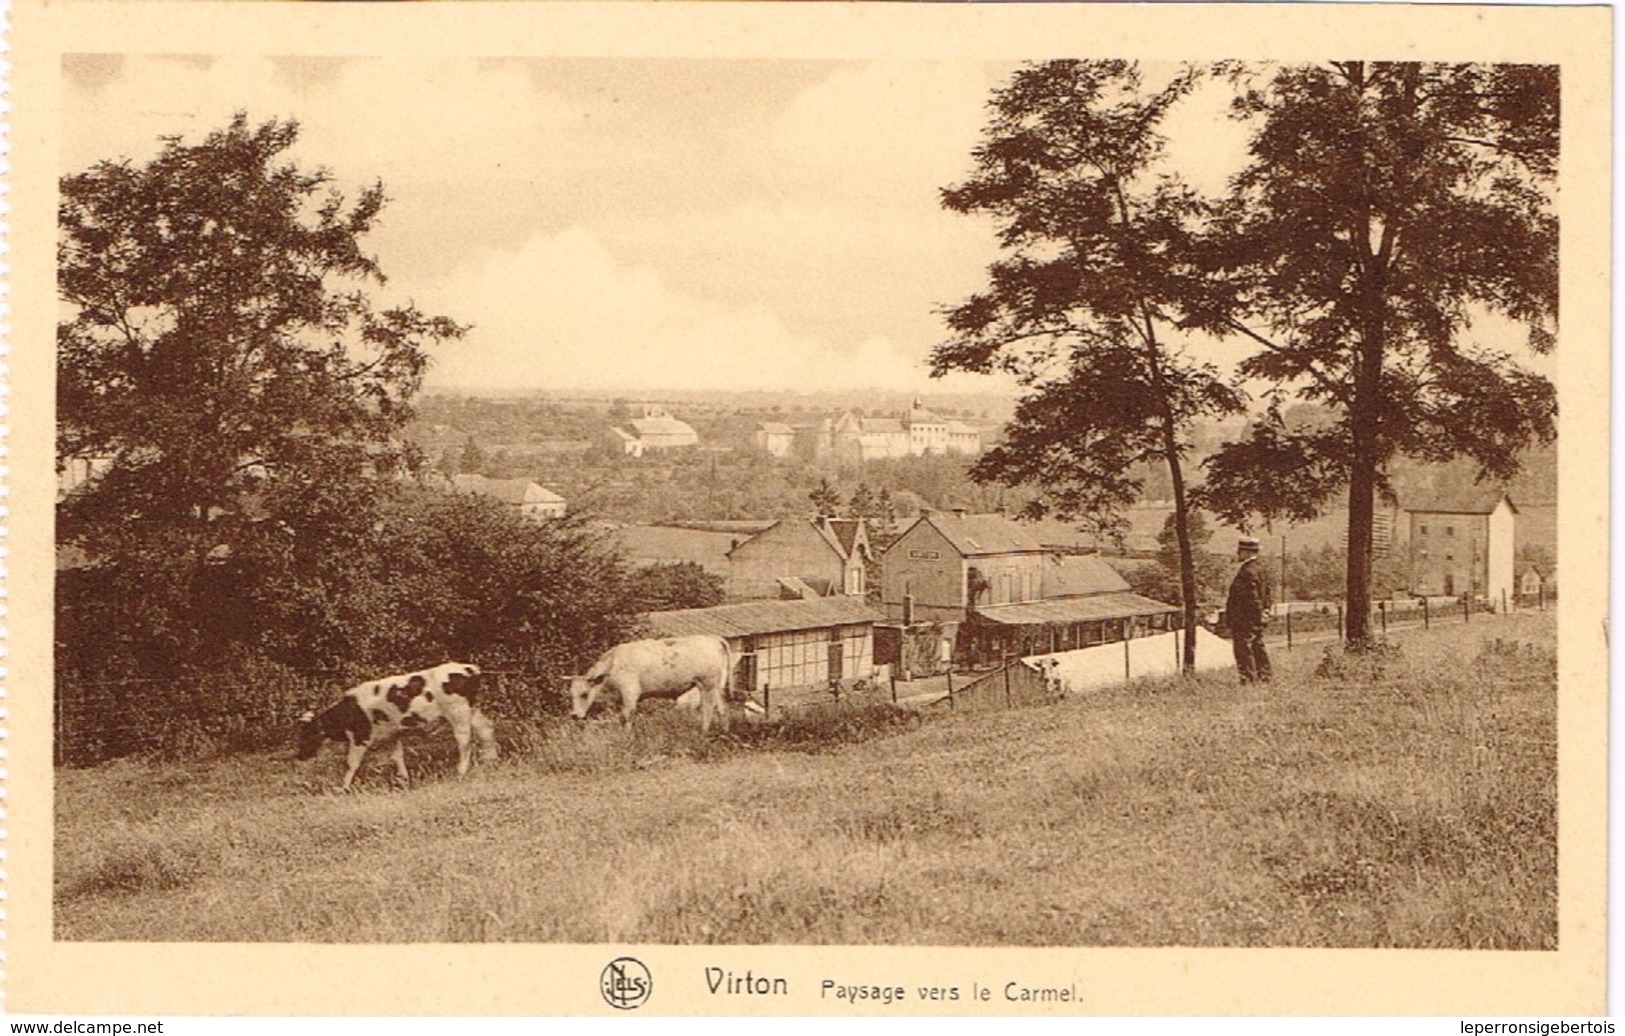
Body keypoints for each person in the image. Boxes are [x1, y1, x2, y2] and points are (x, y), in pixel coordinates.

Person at [1225, 536, 1272, 684]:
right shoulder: (1260, 569)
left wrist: (1257, 615)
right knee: (1258, 646)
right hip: (1256, 617)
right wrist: (1265, 611)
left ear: (1245, 552)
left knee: (1244, 649)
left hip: (1245, 618)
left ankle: (1249, 680)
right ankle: (1265, 676)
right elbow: (1267, 594)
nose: (1238, 553)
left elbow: (1253, 598)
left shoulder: (1247, 572)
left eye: (1240, 551)